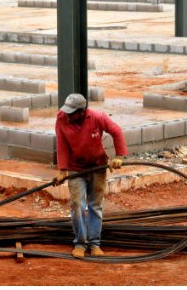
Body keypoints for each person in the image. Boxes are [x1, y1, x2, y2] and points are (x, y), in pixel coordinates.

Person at [52, 93, 127, 258]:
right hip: (75, 169)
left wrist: (119, 156)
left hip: (97, 166)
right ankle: (80, 243)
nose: (68, 115)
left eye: (72, 113)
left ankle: (94, 244)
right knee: (77, 205)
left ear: (82, 111)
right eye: (67, 112)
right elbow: (61, 143)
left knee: (95, 206)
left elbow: (116, 131)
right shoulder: (62, 118)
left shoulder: (97, 117)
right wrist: (63, 170)